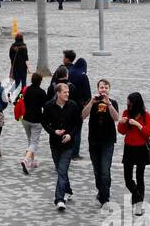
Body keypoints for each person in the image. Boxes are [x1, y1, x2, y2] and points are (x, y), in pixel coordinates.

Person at [42, 81, 83, 211]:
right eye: (65, 92)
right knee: (61, 169)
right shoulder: (49, 106)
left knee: (62, 170)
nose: (67, 94)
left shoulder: (73, 106)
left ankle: (59, 199)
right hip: (54, 143)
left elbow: (78, 124)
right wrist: (53, 131)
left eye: (68, 92)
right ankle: (68, 190)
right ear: (58, 93)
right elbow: (44, 122)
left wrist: (70, 135)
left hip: (69, 144)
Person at [84, 78, 119, 208]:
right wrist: (91, 102)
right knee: (97, 170)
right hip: (93, 140)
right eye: (101, 87)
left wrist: (108, 104)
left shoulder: (113, 102)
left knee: (105, 170)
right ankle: (102, 190)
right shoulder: (92, 102)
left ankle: (105, 197)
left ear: (109, 90)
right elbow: (83, 116)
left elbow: (116, 118)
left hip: (108, 141)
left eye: (106, 88)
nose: (103, 90)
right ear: (98, 89)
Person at [118, 91, 150, 217]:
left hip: (141, 149)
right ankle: (138, 196)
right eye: (128, 104)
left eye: (131, 104)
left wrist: (138, 124)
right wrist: (122, 122)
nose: (128, 106)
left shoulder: (146, 116)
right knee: (128, 179)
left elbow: (148, 133)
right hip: (128, 149)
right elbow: (121, 131)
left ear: (137, 104)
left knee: (140, 177)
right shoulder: (126, 113)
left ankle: (138, 206)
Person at [19, 72, 47, 175]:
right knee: (34, 142)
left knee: (30, 140)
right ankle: (26, 160)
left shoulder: (26, 89)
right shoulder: (42, 92)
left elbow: (18, 100)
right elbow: (46, 106)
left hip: (25, 119)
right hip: (36, 120)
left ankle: (32, 161)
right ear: (40, 81)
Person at [7, 33, 28, 99]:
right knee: (23, 82)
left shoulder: (12, 46)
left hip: (15, 67)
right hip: (23, 67)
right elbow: (25, 57)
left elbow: (10, 56)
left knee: (17, 82)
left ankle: (10, 93)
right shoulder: (24, 46)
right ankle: (21, 97)